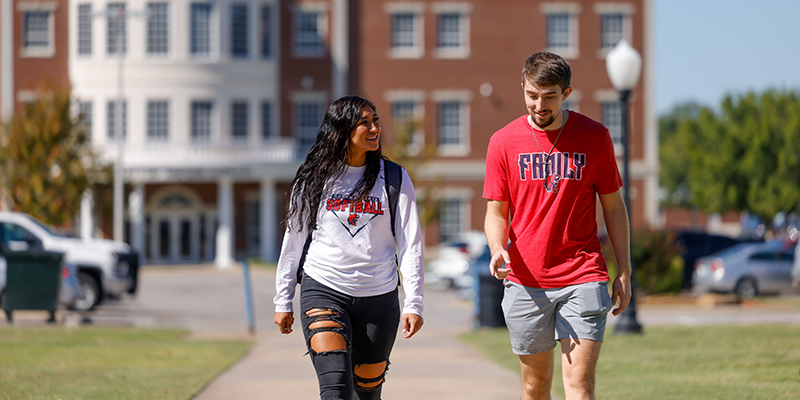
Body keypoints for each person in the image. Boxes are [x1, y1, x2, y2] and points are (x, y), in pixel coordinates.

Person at [482, 52, 632, 400]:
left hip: (583, 273)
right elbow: (495, 211)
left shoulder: (595, 138)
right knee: (535, 388)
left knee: (579, 385)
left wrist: (623, 269)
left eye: (549, 96)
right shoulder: (503, 142)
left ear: (566, 93)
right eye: (532, 95)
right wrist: (496, 247)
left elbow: (613, 206)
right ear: (522, 88)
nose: (539, 104)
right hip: (525, 279)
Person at [273, 95, 424, 400]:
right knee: (336, 388)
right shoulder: (313, 179)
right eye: (364, 122)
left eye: (375, 120)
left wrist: (414, 302)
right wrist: (283, 298)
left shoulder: (394, 178)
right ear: (341, 131)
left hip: (379, 297)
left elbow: (411, 243)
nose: (374, 128)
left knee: (367, 394)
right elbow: (294, 240)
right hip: (324, 287)